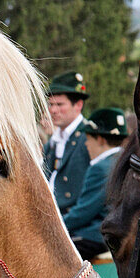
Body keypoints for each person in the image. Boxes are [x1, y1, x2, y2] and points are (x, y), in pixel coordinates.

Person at [63, 107, 127, 260]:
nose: (86, 145)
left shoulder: (101, 168)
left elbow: (83, 213)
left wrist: (53, 226)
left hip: (98, 236)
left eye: (88, 139)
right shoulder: (122, 161)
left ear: (100, 139)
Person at [43, 71, 89, 207]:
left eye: (59, 104)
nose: (53, 110)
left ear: (78, 105)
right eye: (50, 104)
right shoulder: (53, 141)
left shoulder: (89, 138)